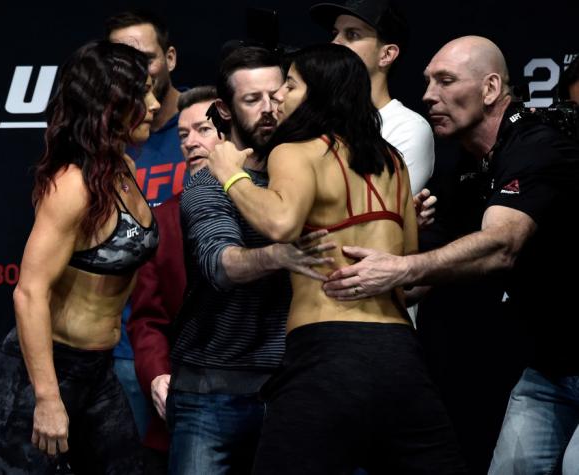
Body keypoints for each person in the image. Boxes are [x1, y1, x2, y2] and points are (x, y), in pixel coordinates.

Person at [323, 36, 579, 475]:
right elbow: (430, 269)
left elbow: (502, 245)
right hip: (550, 363)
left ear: (491, 88)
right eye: (426, 82)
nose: (427, 95)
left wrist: (400, 267)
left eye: (445, 81)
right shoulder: (468, 167)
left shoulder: (539, 142)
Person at [206, 43, 466, 475]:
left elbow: (281, 223)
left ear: (316, 93)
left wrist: (228, 173)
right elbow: (408, 265)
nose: (279, 98)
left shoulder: (296, 151)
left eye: (289, 85)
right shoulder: (393, 161)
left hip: (326, 352)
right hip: (399, 352)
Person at [0, 40, 160, 474]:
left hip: (98, 368)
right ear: (111, 106)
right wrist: (46, 399)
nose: (156, 104)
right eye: (143, 95)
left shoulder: (124, 169)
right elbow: (29, 293)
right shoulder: (73, 186)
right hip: (49, 369)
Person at [168, 46, 336, 475]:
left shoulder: (310, 170)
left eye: (276, 95)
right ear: (224, 110)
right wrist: (282, 253)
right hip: (212, 390)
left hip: (291, 387)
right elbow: (220, 265)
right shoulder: (207, 182)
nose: (269, 109)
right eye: (251, 100)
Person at [127, 86, 225, 474]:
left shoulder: (276, 207)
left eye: (203, 129)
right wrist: (157, 374)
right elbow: (147, 318)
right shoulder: (163, 219)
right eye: (183, 135)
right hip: (190, 403)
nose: (191, 143)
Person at [105, 9, 186, 440]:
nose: (139, 73)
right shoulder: (103, 144)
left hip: (201, 345)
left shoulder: (205, 123)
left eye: (146, 58)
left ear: (170, 57)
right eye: (122, 59)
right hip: (120, 346)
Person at [310, 0, 434, 194]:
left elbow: (380, 215)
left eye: (352, 34)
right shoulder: (317, 116)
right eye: (335, 33)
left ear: (387, 55)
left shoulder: (408, 128)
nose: (335, 43)